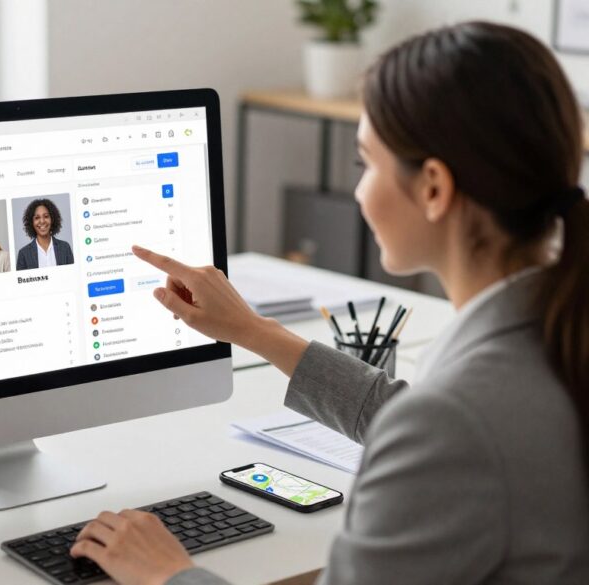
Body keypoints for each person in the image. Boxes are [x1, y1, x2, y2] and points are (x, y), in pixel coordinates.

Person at [71, 22, 589, 585]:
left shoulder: (459, 418)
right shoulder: (552, 333)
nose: (361, 188)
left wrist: (168, 574)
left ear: (434, 189)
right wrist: (252, 330)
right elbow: (410, 416)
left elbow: (438, 429)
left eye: (365, 163)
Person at [16, 198, 74, 270]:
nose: (42, 221)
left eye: (46, 216)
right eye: (37, 218)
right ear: (31, 223)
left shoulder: (65, 247)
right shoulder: (23, 254)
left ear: (52, 219)